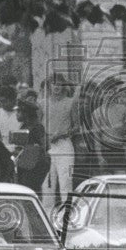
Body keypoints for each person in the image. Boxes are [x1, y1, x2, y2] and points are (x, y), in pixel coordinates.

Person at [42, 78, 80, 211]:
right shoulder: (43, 103)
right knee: (47, 183)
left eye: (59, 84)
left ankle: (67, 216)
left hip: (64, 144)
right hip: (48, 146)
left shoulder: (70, 103)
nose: (56, 87)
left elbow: (77, 127)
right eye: (54, 84)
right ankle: (47, 216)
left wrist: (62, 133)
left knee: (65, 181)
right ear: (49, 86)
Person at [14, 95, 50, 195]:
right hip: (24, 165)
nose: (16, 114)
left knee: (31, 191)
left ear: (26, 113)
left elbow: (46, 145)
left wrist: (32, 149)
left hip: (34, 168)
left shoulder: (37, 127)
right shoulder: (24, 126)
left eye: (19, 111)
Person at [0, 84, 22, 154]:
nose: (2, 104)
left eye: (5, 101)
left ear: (13, 100)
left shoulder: (21, 116)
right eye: (1, 101)